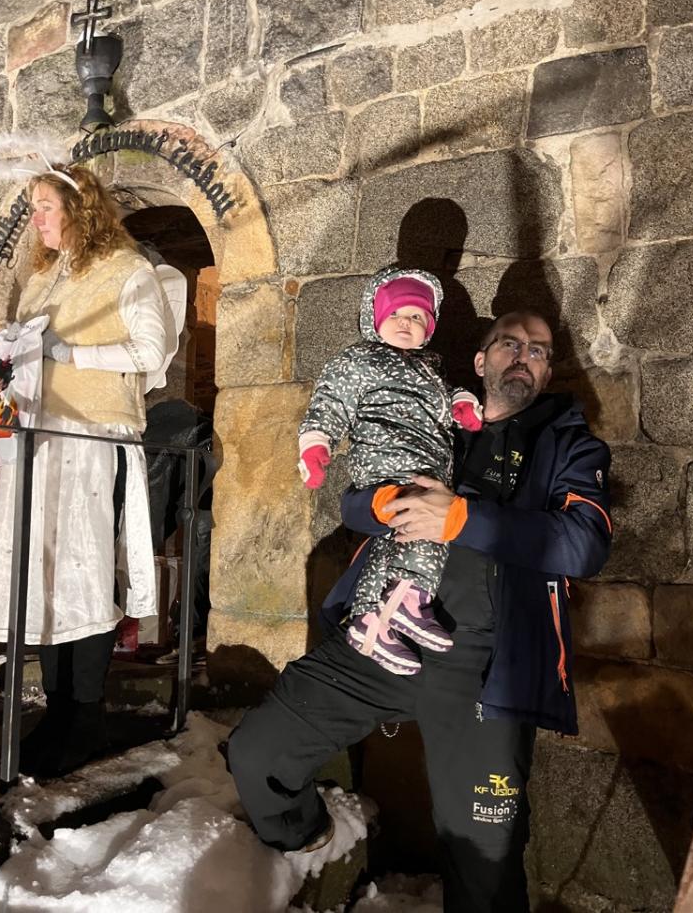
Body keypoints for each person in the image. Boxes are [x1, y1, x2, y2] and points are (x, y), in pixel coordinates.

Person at [227, 309, 612, 911]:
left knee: (485, 863)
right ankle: (309, 835)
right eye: (509, 344)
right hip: (387, 636)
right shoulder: (433, 418)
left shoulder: (568, 444)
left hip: (485, 667)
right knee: (257, 753)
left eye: (537, 350)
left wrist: (460, 517)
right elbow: (355, 505)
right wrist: (384, 504)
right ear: (480, 361)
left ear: (546, 372)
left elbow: (584, 543)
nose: (523, 356)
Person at [0, 163, 168, 777]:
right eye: (33, 206)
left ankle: (85, 714)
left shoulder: (127, 270)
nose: (36, 218)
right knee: (45, 573)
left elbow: (151, 351)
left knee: (84, 573)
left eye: (46, 206)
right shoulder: (40, 280)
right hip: (39, 442)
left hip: (91, 436)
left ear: (80, 210)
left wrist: (69, 351)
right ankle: (57, 711)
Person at [298, 267, 481, 675]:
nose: (406, 323)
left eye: (417, 317)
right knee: (427, 526)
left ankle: (370, 621)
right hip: (387, 459)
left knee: (390, 541)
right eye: (396, 314)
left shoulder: (431, 366)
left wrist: (462, 404)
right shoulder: (359, 360)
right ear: (375, 317)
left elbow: (444, 397)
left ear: (429, 327)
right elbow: (330, 402)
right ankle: (409, 599)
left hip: (426, 463)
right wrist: (315, 446)